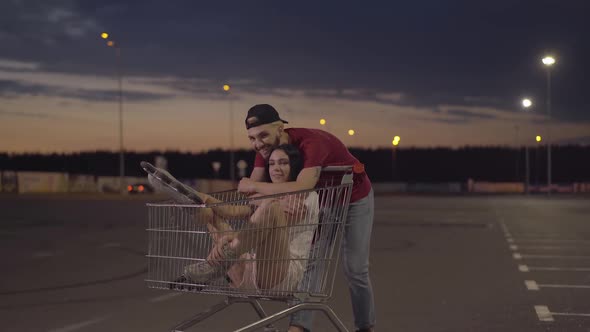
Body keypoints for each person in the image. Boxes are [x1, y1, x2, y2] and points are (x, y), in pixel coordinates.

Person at [238, 104, 375, 332]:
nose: (258, 144)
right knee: (311, 262)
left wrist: (254, 186)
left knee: (355, 269)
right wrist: (264, 194)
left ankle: (365, 326)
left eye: (263, 135)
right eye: (252, 138)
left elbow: (302, 185)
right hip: (322, 201)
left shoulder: (312, 143)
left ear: (280, 128)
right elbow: (251, 195)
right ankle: (300, 327)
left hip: (354, 197)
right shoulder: (265, 152)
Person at [178, 144, 319, 292]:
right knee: (213, 212)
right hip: (252, 269)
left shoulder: (306, 196)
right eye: (271, 164)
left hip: (282, 275)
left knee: (271, 206)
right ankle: (193, 202)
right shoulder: (270, 198)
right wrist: (206, 200)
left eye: (283, 163)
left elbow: (270, 225)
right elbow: (232, 211)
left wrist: (230, 239)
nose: (276, 168)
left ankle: (219, 261)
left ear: (294, 165)